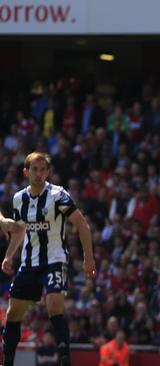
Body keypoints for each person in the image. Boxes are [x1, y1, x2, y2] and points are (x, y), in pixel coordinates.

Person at [1, 152, 96, 366]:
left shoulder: (58, 195)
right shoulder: (19, 199)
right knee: (13, 313)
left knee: (54, 307)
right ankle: (7, 361)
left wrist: (88, 258)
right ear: (26, 172)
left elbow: (82, 224)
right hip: (29, 263)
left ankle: (64, 359)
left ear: (48, 172)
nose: (39, 173)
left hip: (55, 259)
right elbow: (19, 231)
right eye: (34, 169)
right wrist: (8, 256)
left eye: (43, 169)